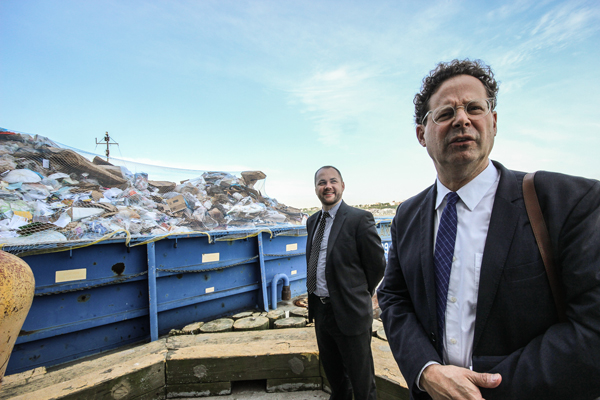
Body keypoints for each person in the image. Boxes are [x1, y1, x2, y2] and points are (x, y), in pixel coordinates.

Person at [377, 59, 600, 400]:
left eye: (474, 108)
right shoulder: (407, 215)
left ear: (493, 122)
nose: (462, 119)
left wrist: (479, 390)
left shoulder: (564, 202)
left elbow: (591, 327)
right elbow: (394, 297)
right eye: (446, 113)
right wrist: (426, 370)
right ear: (422, 134)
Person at [306, 166, 386, 400]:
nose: (327, 186)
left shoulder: (359, 219)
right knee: (335, 378)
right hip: (321, 311)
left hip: (350, 311)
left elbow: (377, 265)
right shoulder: (312, 222)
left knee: (362, 382)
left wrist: (359, 293)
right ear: (316, 189)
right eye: (322, 182)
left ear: (342, 186)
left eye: (333, 181)